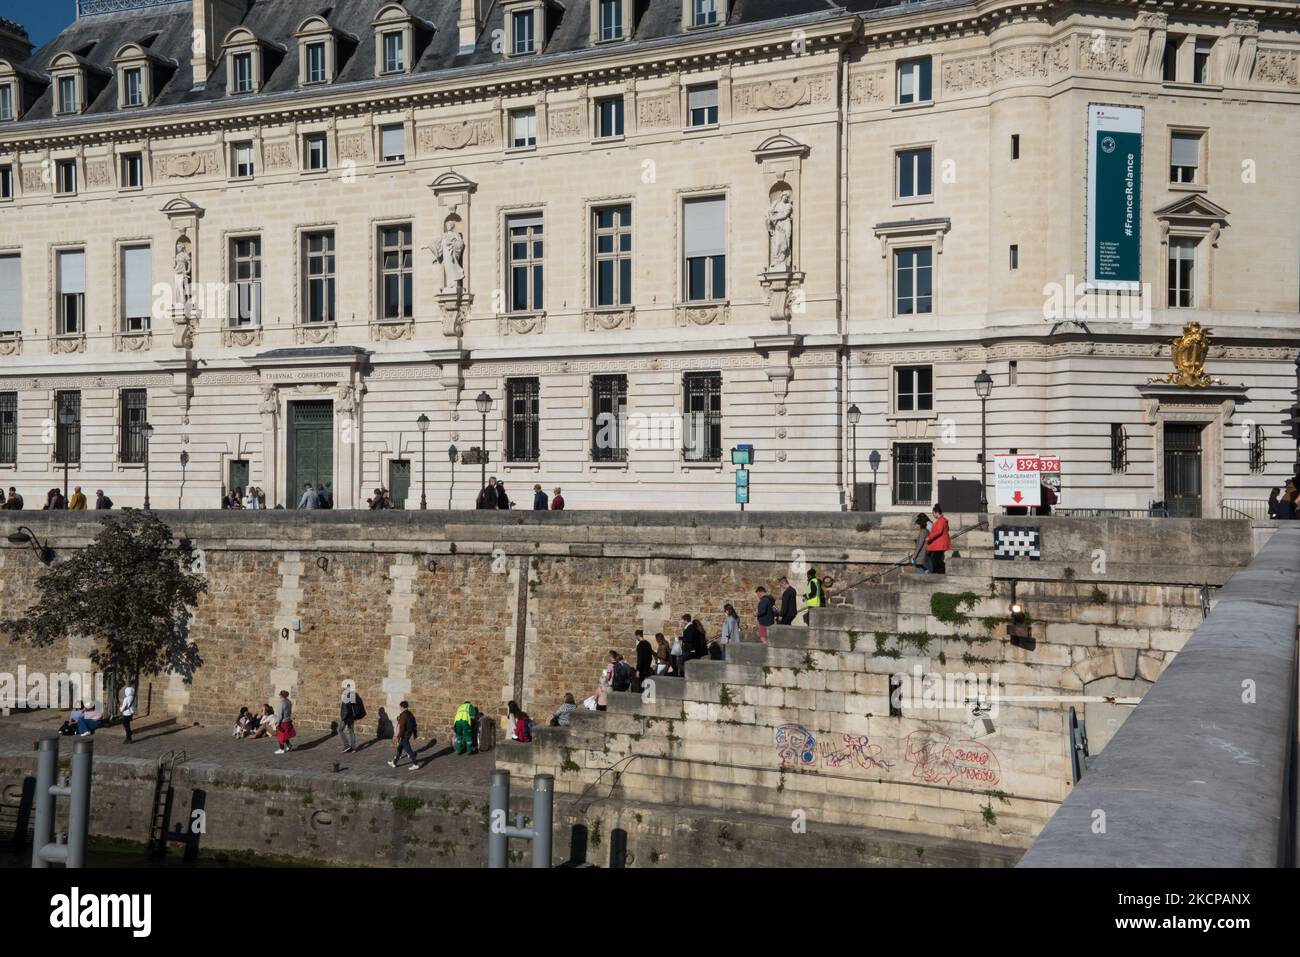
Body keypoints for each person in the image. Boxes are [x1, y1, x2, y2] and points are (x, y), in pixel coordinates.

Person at [388, 700, 419, 769]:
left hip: (404, 735)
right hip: (408, 734)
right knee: (399, 749)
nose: (400, 708)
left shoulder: (404, 715)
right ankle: (394, 762)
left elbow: (402, 727)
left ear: (402, 707)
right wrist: (414, 734)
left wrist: (398, 737)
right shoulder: (409, 713)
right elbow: (414, 724)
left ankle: (415, 764)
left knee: (409, 751)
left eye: (400, 707)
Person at [338, 681, 366, 753]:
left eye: (343, 687)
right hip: (351, 716)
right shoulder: (353, 694)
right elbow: (354, 706)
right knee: (351, 731)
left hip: (346, 716)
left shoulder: (347, 695)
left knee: (340, 730)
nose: (342, 688)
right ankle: (353, 748)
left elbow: (346, 707)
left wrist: (344, 717)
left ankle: (346, 745)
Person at [926, 503, 951, 575]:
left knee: (935, 558)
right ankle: (938, 571)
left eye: (933, 513)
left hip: (940, 544)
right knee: (937, 558)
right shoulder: (943, 520)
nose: (933, 515)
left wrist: (929, 537)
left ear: (937, 513)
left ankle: (938, 571)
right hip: (940, 543)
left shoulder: (941, 521)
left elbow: (939, 531)